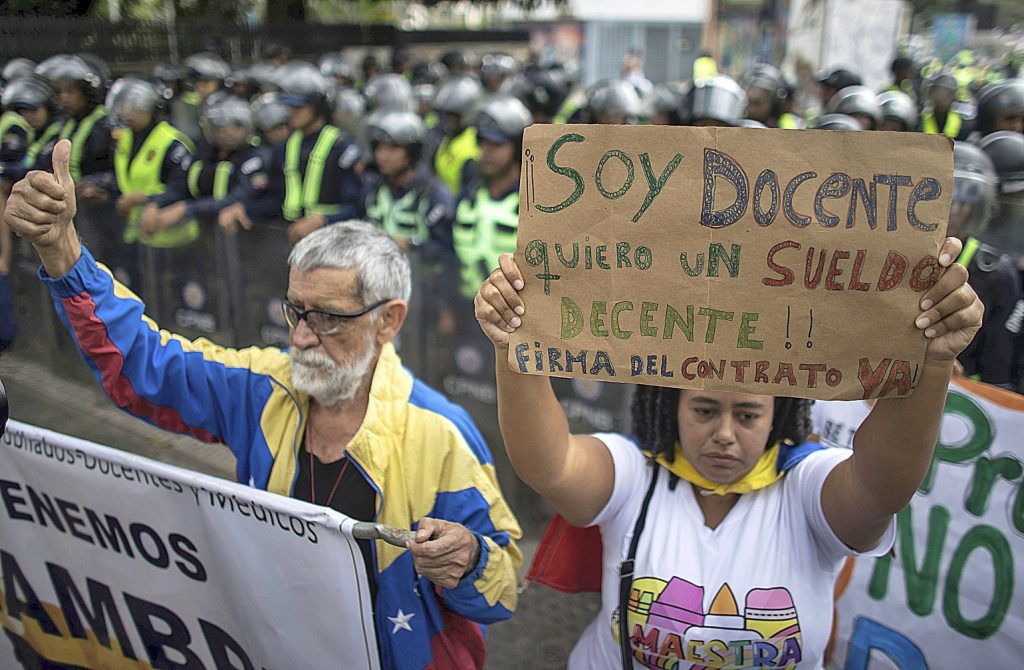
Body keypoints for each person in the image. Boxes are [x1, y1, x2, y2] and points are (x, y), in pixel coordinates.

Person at [4, 139, 522, 669]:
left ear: (389, 320)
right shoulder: (262, 385)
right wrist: (62, 251)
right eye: (295, 311)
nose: (299, 339)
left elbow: (502, 589)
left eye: (327, 318)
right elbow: (143, 367)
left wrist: (469, 557)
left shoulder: (442, 432)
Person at [474, 245, 981, 668]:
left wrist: (933, 362)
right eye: (704, 409)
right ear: (669, 406)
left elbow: (882, 488)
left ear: (779, 417)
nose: (723, 434)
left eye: (747, 416)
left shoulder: (806, 489)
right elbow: (551, 464)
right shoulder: (635, 476)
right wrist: (512, 346)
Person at [221, 62, 364, 245]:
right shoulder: (284, 147)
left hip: (334, 243)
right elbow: (276, 199)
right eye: (289, 107)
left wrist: (322, 220)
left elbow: (356, 207)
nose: (291, 113)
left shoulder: (342, 147)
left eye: (299, 107)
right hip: (291, 239)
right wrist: (244, 209)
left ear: (318, 106)